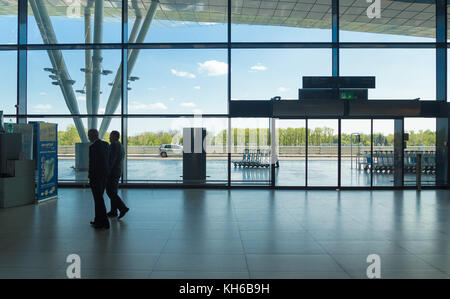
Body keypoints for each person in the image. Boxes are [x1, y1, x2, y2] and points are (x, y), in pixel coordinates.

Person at [88, 129, 110, 229]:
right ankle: (98, 220)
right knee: (99, 198)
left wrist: (90, 176)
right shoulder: (106, 144)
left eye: (89, 135)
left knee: (98, 200)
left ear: (93, 136)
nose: (88, 137)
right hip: (104, 176)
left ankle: (104, 222)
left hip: (96, 177)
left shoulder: (93, 147)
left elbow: (92, 164)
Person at [106, 130, 129, 219]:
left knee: (110, 191)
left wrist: (108, 171)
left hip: (112, 172)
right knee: (113, 191)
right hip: (118, 171)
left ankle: (123, 208)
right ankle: (113, 211)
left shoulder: (114, 145)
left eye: (111, 136)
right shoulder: (120, 145)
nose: (109, 138)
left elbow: (112, 160)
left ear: (115, 137)